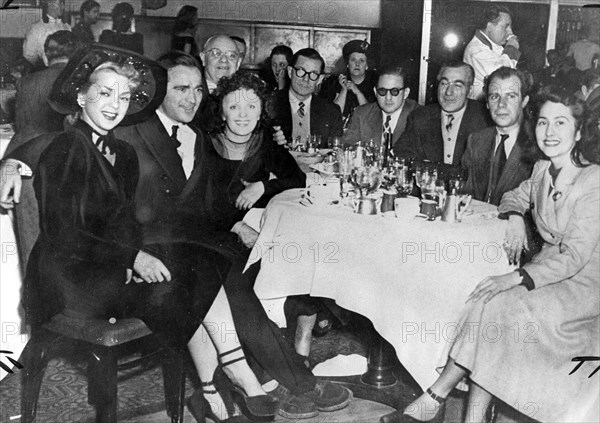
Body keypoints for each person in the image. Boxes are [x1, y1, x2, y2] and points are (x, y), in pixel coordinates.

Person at [21, 45, 275, 422]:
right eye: (104, 93)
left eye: (123, 96)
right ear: (81, 95)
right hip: (69, 278)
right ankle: (234, 372)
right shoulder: (65, 148)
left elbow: (125, 221)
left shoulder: (121, 152)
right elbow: (65, 235)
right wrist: (132, 258)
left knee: (206, 260)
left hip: (109, 267)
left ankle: (222, 377)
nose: (114, 105)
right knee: (193, 275)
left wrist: (133, 253)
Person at [381, 83, 600, 423]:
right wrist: (514, 217)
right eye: (543, 122)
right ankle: (462, 412)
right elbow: (514, 196)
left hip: (582, 285)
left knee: (500, 308)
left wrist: (514, 277)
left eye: (560, 123)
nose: (549, 132)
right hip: (546, 273)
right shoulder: (543, 169)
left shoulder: (592, 181)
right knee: (482, 298)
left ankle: (439, 401)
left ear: (579, 130)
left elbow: (574, 257)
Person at [393, 61, 492, 176]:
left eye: (458, 85)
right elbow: (402, 157)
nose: (449, 92)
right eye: (444, 84)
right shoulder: (420, 117)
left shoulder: (486, 118)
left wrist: (432, 167)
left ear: (469, 91)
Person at [462, 67, 539, 206]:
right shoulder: (476, 141)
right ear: (486, 103)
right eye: (494, 96)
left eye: (511, 96)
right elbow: (466, 195)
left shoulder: (537, 145)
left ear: (524, 101)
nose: (501, 104)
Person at [269, 48, 343, 144]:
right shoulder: (269, 103)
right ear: (290, 72)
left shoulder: (331, 111)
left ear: (320, 79)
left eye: (313, 74)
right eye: (301, 71)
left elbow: (334, 150)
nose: (306, 79)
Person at [343, 64, 418, 150]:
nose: (388, 97)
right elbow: (346, 149)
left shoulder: (420, 117)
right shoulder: (362, 114)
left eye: (394, 91)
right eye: (382, 91)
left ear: (406, 93)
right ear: (375, 92)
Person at [463, 5, 521, 101]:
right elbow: (502, 75)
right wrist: (512, 48)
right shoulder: (475, 49)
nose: (510, 32)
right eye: (506, 27)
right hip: (479, 108)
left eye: (510, 27)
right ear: (489, 26)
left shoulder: (495, 45)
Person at [319, 39, 378, 119]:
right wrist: (344, 90)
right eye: (353, 60)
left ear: (367, 65)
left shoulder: (375, 82)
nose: (357, 64)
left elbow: (370, 117)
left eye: (362, 61)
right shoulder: (333, 82)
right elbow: (332, 117)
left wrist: (358, 92)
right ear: (347, 64)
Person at [22, 0, 70, 69]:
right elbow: (28, 55)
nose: (63, 7)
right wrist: (41, 67)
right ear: (50, 4)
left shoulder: (66, 27)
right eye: (61, 3)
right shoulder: (36, 28)